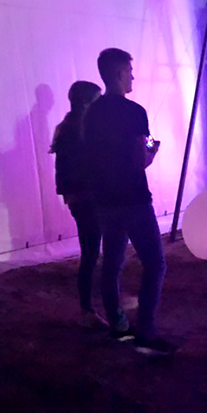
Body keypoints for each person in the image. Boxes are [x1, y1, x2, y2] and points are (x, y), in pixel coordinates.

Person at [83, 48, 173, 355]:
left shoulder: (92, 113)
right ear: (121, 74)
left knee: (112, 263)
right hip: (133, 198)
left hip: (104, 199)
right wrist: (153, 151)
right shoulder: (135, 112)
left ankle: (118, 325)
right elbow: (139, 160)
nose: (133, 77)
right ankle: (146, 331)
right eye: (131, 72)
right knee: (156, 264)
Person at [50, 81, 107, 328]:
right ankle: (88, 309)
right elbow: (70, 171)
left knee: (93, 250)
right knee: (92, 251)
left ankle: (91, 305)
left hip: (84, 198)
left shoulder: (69, 128)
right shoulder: (76, 132)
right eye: (97, 100)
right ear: (86, 103)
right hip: (87, 198)